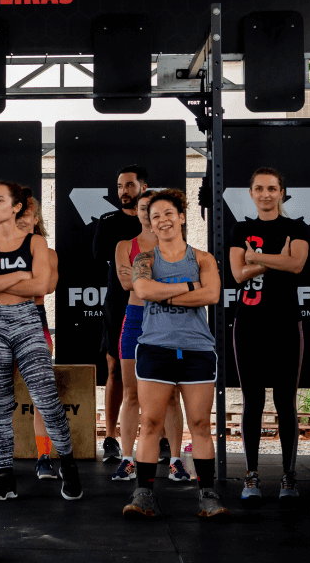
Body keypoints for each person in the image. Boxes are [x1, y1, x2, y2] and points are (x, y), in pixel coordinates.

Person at [0, 181, 83, 502]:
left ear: (17, 207)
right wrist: (20, 276)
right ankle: (5, 474)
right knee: (0, 404)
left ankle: (68, 464)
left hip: (28, 322)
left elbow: (41, 287)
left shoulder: (36, 243)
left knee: (46, 399)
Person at [123, 189, 229, 520]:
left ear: (181, 217)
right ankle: (143, 495)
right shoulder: (145, 259)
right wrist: (189, 288)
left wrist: (164, 294)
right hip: (156, 348)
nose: (162, 220)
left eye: (168, 213)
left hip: (197, 349)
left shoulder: (203, 259)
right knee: (150, 422)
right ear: (150, 224)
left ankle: (207, 495)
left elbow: (212, 295)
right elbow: (143, 289)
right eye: (155, 216)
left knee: (199, 424)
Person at [228, 168, 310, 505]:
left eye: (272, 188)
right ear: (251, 193)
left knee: (285, 402)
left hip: (286, 325)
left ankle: (289, 476)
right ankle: (251, 475)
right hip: (249, 326)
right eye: (259, 188)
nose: (266, 194)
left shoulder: (297, 227)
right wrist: (277, 259)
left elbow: (297, 265)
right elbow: (237, 273)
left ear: (282, 193)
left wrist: (256, 257)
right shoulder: (240, 229)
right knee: (253, 402)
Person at [114, 190, 188, 484]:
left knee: (171, 394)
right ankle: (127, 459)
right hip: (135, 319)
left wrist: (143, 280)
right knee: (131, 393)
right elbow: (125, 284)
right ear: (137, 211)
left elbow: (180, 282)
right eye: (143, 208)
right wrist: (162, 281)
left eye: (153, 208)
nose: (147, 213)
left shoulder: (176, 246)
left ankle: (176, 461)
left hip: (168, 320)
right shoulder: (125, 245)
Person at [92, 164, 148, 463]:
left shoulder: (157, 220)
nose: (123, 191)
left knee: (156, 371)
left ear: (142, 186)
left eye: (129, 185)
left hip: (153, 305)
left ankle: (160, 438)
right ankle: (111, 438)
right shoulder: (109, 221)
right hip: (118, 303)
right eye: (119, 186)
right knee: (113, 369)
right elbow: (100, 254)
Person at [15, 192, 62, 480]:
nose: (21, 218)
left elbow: (44, 288)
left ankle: (43, 457)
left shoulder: (48, 253)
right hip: (1, 321)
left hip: (35, 322)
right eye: (16, 212)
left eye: (26, 213)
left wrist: (7, 283)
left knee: (42, 395)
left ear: (36, 218)